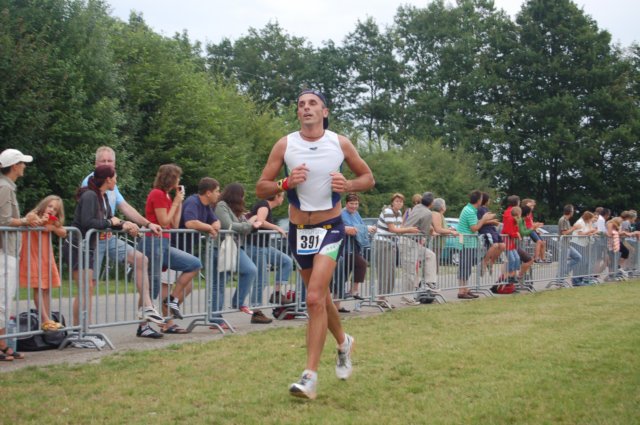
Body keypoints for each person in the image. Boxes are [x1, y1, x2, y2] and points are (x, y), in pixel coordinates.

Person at [256, 89, 375, 399]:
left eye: (312, 104)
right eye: (301, 104)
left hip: (330, 227)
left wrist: (348, 184)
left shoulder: (339, 143)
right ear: (298, 112)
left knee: (312, 297)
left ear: (324, 111)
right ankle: (344, 343)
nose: (306, 108)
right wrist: (285, 182)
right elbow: (261, 187)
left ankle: (309, 377)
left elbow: (368, 178)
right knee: (320, 298)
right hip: (299, 230)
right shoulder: (285, 144)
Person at [81, 147, 164, 338]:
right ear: (96, 164)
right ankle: (84, 331)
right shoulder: (91, 183)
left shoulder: (112, 183)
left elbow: (124, 207)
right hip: (94, 239)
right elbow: (95, 218)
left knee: (141, 260)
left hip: (108, 237)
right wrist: (123, 224)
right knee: (89, 285)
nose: (107, 164)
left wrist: (147, 223)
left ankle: (147, 310)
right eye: (103, 161)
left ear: (115, 164)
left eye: (110, 161)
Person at [139, 164, 203, 336]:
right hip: (152, 242)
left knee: (194, 264)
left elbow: (174, 224)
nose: (179, 180)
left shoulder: (166, 195)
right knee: (151, 286)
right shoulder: (157, 194)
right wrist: (175, 202)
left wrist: (178, 202)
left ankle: (172, 299)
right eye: (177, 177)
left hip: (164, 243)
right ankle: (143, 326)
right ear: (170, 178)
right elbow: (163, 221)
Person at [0, 149, 39, 361]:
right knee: (3, 298)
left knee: (5, 298)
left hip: (8, 250)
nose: (24, 166)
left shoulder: (7, 186)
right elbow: (4, 220)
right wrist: (25, 221)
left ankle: (3, 344)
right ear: (14, 166)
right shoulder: (4, 187)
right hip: (5, 251)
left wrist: (25, 220)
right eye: (22, 163)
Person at [215, 182, 272, 324]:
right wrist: (249, 226)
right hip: (223, 247)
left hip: (235, 247)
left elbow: (243, 224)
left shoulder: (237, 210)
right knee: (220, 283)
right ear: (236, 195)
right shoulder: (221, 205)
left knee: (251, 270)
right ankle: (215, 318)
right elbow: (228, 225)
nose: (244, 198)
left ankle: (238, 302)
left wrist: (249, 226)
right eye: (242, 195)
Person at [19, 195, 67, 331]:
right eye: (50, 206)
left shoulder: (52, 221)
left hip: (45, 256)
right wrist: (42, 221)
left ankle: (47, 320)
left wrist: (54, 228)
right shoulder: (33, 215)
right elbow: (33, 221)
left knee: (47, 288)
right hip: (32, 255)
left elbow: (63, 232)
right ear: (44, 205)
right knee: (38, 287)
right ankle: (45, 319)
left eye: (55, 209)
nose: (51, 210)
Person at [245, 191, 293, 307]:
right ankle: (256, 309)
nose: (282, 199)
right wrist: (277, 227)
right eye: (282, 197)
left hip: (264, 246)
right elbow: (260, 221)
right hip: (256, 246)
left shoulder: (267, 207)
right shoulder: (264, 205)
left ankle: (276, 293)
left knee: (287, 261)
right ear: (276, 196)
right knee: (261, 280)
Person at [375, 193, 419, 304]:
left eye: (401, 201)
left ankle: (383, 298)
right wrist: (409, 230)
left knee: (391, 272)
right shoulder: (388, 211)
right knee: (384, 271)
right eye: (397, 201)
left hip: (392, 244)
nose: (399, 203)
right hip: (382, 243)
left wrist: (410, 231)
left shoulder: (399, 213)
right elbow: (393, 229)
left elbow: (399, 229)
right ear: (392, 202)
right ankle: (381, 298)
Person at [457, 190, 498, 299]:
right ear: (479, 200)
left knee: (467, 267)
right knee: (465, 267)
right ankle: (461, 291)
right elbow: (474, 228)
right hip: (466, 243)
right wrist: (484, 219)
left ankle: (465, 289)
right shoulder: (470, 211)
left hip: (468, 242)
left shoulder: (470, 209)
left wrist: (484, 220)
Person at [340, 193, 374, 300]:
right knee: (360, 264)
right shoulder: (342, 213)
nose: (354, 206)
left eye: (356, 203)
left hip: (355, 247)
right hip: (344, 248)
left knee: (347, 270)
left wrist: (365, 228)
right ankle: (350, 291)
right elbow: (351, 227)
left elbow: (360, 225)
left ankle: (347, 292)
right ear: (346, 203)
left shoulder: (356, 213)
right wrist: (366, 228)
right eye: (351, 203)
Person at [403, 191, 439, 291]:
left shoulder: (417, 207)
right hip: (408, 241)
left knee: (430, 255)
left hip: (412, 241)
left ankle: (429, 283)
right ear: (431, 203)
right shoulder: (428, 213)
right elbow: (425, 232)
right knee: (410, 270)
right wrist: (432, 232)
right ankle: (407, 296)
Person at [477, 192, 505, 276]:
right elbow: (480, 222)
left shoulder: (486, 209)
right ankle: (484, 261)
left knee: (502, 246)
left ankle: (491, 262)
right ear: (485, 200)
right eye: (489, 199)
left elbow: (487, 220)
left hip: (492, 229)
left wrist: (493, 222)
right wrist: (492, 221)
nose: (489, 201)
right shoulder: (480, 209)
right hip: (486, 230)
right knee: (495, 245)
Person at [556, 204, 582, 285]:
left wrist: (573, 229)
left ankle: (564, 274)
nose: (573, 212)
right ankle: (560, 280)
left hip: (567, 244)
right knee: (563, 262)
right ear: (570, 212)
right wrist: (574, 228)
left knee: (578, 257)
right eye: (573, 210)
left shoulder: (566, 220)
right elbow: (564, 233)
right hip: (563, 244)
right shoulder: (563, 220)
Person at [571, 211, 598, 285]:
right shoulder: (580, 222)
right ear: (588, 218)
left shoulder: (585, 223)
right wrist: (590, 231)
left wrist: (592, 232)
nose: (592, 220)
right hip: (577, 244)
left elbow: (586, 233)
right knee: (580, 262)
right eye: (591, 218)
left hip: (582, 244)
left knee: (584, 262)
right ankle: (576, 281)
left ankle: (580, 279)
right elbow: (580, 234)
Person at [503, 206, 522, 285]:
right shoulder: (510, 220)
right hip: (506, 242)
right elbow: (509, 232)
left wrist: (517, 233)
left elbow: (516, 230)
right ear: (518, 214)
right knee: (512, 259)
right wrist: (517, 235)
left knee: (517, 258)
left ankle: (513, 275)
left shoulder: (515, 221)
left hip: (511, 243)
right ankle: (509, 276)